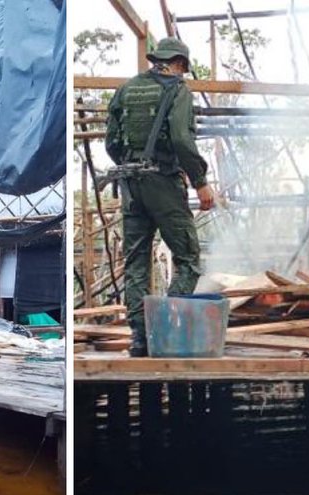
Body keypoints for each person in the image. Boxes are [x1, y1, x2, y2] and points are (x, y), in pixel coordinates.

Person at [106, 36, 215, 358]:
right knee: (189, 259)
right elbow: (182, 138)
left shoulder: (126, 89)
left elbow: (112, 142)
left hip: (130, 185)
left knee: (136, 263)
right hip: (163, 184)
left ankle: (140, 338)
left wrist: (131, 166)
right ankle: (166, 328)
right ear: (179, 63)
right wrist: (200, 181)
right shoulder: (177, 89)